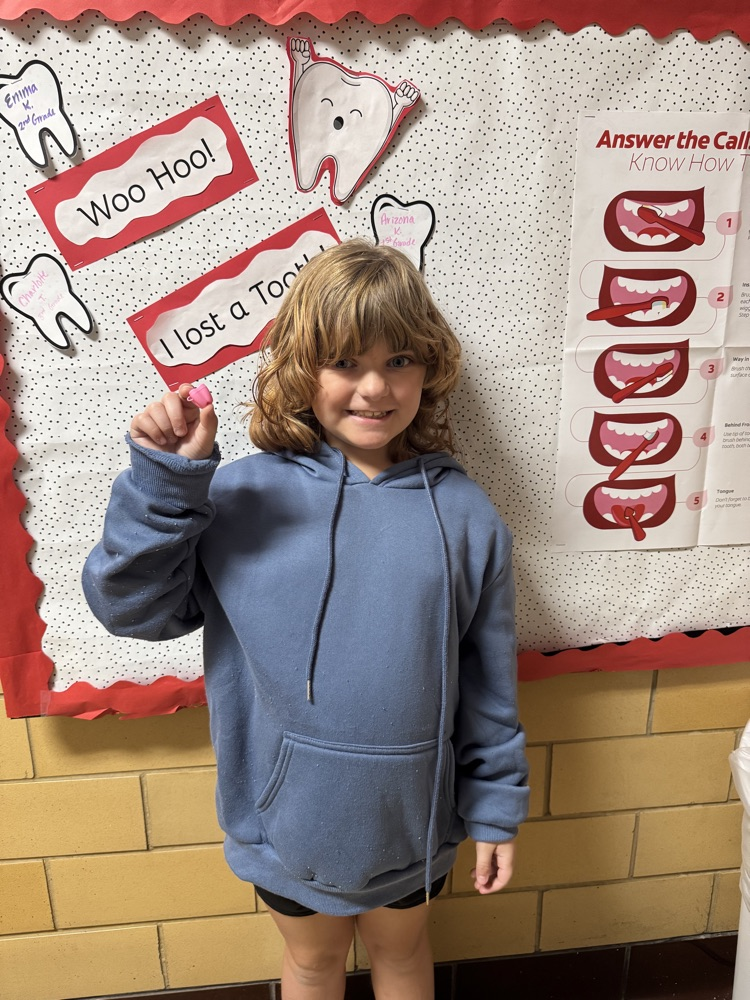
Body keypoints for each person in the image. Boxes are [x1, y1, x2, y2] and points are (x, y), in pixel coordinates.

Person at [83, 239, 529, 1000]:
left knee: (403, 955)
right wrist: (166, 483)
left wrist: (494, 810)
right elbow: (132, 609)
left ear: (429, 369)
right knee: (313, 965)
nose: (374, 388)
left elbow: (489, 686)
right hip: (285, 825)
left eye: (399, 361)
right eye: (346, 362)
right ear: (302, 367)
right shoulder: (239, 497)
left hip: (415, 826)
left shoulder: (464, 514)